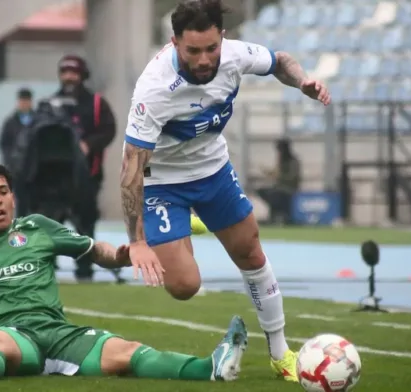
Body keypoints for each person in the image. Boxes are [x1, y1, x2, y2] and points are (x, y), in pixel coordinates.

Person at [0, 160, 248, 383]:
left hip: (58, 332)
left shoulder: (37, 227)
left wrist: (129, 253)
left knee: (129, 353)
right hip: (12, 335)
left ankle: (212, 367)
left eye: (3, 192)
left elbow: (97, 251)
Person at [119, 0, 331, 383]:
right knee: (184, 286)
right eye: (192, 51)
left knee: (250, 251)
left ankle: (281, 352)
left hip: (213, 170)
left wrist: (302, 81)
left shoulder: (235, 56)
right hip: (162, 182)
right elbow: (131, 168)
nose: (203, 59)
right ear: (174, 43)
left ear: (224, 38)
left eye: (211, 48)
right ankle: (187, 223)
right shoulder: (154, 88)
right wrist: (136, 241)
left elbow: (280, 60)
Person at [53, 55, 117, 282]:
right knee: (51, 224)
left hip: (88, 176)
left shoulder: (97, 103)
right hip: (56, 179)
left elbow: (109, 130)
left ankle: (84, 270)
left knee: (85, 225)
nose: (69, 77)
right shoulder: (51, 104)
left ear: (82, 75)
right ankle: (46, 268)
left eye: (74, 72)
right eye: (65, 72)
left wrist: (88, 144)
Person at [256, 138, 302, 225]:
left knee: (274, 194)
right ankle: (274, 215)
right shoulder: (281, 161)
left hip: (289, 189)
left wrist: (278, 177)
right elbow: (275, 173)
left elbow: (292, 177)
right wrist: (266, 171)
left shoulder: (293, 161)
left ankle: (280, 216)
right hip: (279, 188)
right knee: (262, 191)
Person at [0, 88, 34, 166]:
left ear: (31, 102)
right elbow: (4, 143)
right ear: (18, 102)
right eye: (22, 101)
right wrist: (9, 160)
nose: (24, 104)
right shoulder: (10, 122)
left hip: (33, 165)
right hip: (15, 165)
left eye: (26, 101)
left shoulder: (38, 120)